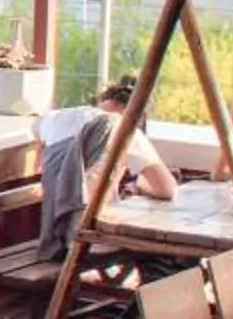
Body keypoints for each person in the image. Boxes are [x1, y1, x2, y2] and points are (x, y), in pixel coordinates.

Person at [37, 76, 178, 256]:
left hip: (55, 235)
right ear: (138, 114)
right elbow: (168, 189)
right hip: (91, 239)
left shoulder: (54, 117)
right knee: (155, 252)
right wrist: (138, 186)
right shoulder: (119, 125)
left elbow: (37, 130)